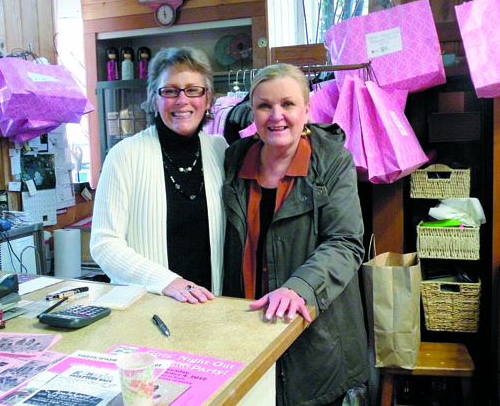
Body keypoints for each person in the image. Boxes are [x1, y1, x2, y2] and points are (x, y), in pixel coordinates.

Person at [222, 63, 370, 405]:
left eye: (287, 104)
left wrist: (297, 289)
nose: (277, 116)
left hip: (316, 335)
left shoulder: (332, 160)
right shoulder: (235, 159)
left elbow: (345, 242)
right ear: (252, 112)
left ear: (306, 109)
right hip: (248, 329)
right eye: (264, 105)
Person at [90, 47, 227, 303]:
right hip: (148, 312)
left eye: (193, 90)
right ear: (154, 99)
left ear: (207, 99)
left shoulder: (220, 150)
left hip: (211, 309)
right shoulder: (124, 155)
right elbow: (104, 244)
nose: (182, 100)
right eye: (170, 90)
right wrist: (167, 282)